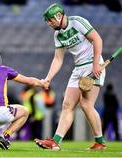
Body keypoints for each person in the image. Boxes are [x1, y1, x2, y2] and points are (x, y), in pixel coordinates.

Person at [34, 3, 106, 150]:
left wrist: (96, 64)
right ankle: (55, 142)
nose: (48, 23)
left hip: (93, 65)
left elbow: (97, 39)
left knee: (86, 104)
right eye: (47, 21)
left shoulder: (77, 22)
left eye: (50, 20)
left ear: (59, 16)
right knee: (67, 105)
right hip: (78, 68)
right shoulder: (57, 34)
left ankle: (100, 142)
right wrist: (48, 78)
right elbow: (58, 59)